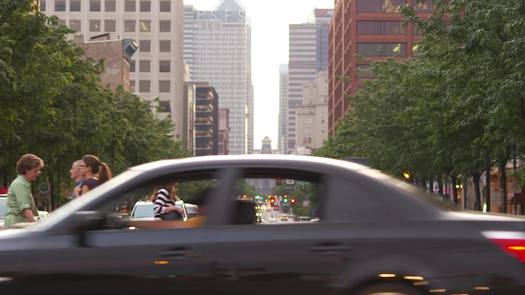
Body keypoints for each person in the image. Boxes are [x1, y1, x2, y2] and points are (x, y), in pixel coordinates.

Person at [3, 154, 44, 227]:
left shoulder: (23, 184)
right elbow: (25, 209)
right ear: (27, 170)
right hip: (17, 225)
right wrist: (37, 227)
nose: (37, 174)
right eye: (35, 171)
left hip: (19, 224)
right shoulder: (20, 184)